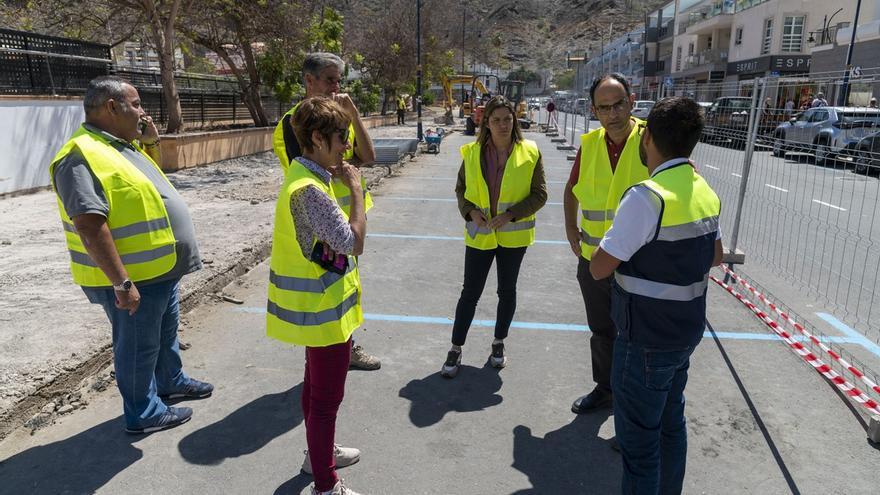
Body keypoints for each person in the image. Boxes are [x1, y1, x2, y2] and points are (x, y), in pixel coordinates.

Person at [49, 76, 213, 434]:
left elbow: (145, 191)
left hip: (159, 269)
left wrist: (149, 140)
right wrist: (121, 282)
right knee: (138, 346)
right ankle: (143, 412)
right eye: (136, 104)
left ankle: (170, 381)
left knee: (164, 335)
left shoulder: (121, 146)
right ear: (112, 107)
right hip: (132, 277)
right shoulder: (80, 156)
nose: (143, 112)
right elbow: (90, 227)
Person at [588, 96, 722, 494]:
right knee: (670, 427)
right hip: (684, 333)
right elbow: (714, 256)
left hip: (644, 338)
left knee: (639, 446)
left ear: (648, 140)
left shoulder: (647, 196)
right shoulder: (703, 190)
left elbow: (599, 266)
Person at [266, 97, 367, 495]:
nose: (346, 146)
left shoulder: (305, 178)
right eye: (341, 138)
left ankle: (317, 456)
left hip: (320, 308)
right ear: (316, 138)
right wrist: (356, 191)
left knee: (314, 388)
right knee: (326, 400)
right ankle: (326, 484)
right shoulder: (310, 189)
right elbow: (352, 243)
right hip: (323, 312)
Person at [272, 52, 381, 371]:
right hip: (322, 221)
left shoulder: (339, 116)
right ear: (309, 80)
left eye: (339, 79)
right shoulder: (295, 122)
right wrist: (348, 168)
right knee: (325, 290)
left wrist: (353, 114)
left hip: (348, 218)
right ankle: (328, 352)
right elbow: (322, 167)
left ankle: (344, 345)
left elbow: (368, 156)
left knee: (346, 288)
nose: (337, 86)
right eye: (330, 79)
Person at [441, 96, 547, 378]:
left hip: (513, 238)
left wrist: (511, 214)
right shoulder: (472, 153)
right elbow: (461, 190)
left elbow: (540, 194)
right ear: (485, 123)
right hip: (481, 234)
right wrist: (470, 212)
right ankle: (456, 347)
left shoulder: (531, 152)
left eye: (507, 119)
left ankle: (498, 343)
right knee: (470, 293)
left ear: (515, 121)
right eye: (496, 119)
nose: (502, 125)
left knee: (507, 292)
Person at [564, 73, 649, 414]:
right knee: (601, 329)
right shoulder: (590, 144)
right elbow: (571, 189)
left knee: (638, 337)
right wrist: (570, 227)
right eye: (604, 108)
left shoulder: (651, 139)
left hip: (641, 261)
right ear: (594, 110)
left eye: (619, 105)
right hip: (595, 258)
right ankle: (606, 389)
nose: (613, 114)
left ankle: (633, 408)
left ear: (632, 101)